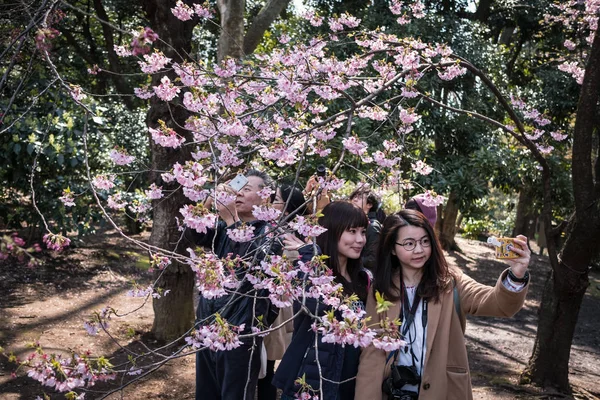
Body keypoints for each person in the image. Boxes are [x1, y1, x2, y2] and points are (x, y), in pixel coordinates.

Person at [355, 209, 531, 400]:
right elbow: (371, 352)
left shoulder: (450, 282)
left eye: (424, 241)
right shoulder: (381, 289)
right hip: (394, 391)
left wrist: (516, 275)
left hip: (444, 390)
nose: (419, 250)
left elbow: (494, 303)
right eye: (409, 244)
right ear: (392, 248)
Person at [191, 169, 283, 400]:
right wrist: (206, 205)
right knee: (206, 393)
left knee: (235, 394)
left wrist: (232, 219)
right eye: (238, 188)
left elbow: (250, 270)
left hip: (240, 333)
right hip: (208, 324)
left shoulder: (271, 234)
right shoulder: (221, 228)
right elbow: (192, 236)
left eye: (248, 189)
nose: (239, 194)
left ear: (266, 198)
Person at [272, 201, 372, 400]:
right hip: (312, 379)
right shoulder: (308, 272)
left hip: (349, 380)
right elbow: (316, 306)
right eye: (352, 231)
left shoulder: (363, 278)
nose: (360, 239)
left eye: (363, 232)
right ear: (331, 231)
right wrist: (311, 254)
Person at [257, 184, 307, 400]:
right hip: (273, 303)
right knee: (264, 366)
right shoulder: (270, 228)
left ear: (287, 208)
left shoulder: (287, 236)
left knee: (265, 367)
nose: (268, 201)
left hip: (275, 306)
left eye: (274, 198)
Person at [349, 183, 386, 271]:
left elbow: (373, 259)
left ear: (369, 205)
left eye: (360, 197)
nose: (355, 199)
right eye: (354, 196)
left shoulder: (372, 226)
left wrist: (349, 260)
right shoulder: (353, 222)